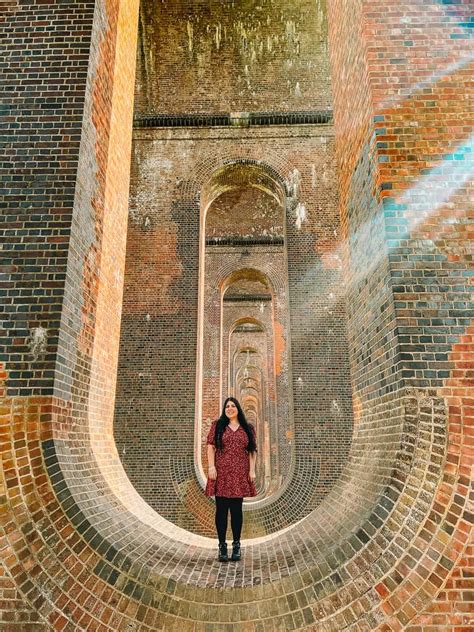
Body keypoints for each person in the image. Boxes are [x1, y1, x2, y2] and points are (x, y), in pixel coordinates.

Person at [205, 397, 257, 562]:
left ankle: (236, 545)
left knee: (236, 511)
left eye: (233, 406)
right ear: (224, 409)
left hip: (239, 474)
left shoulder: (247, 428)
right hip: (222, 473)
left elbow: (252, 451)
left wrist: (252, 470)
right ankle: (221, 546)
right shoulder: (217, 426)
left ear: (238, 409)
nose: (230, 408)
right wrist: (211, 467)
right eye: (227, 406)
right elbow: (210, 447)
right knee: (221, 510)